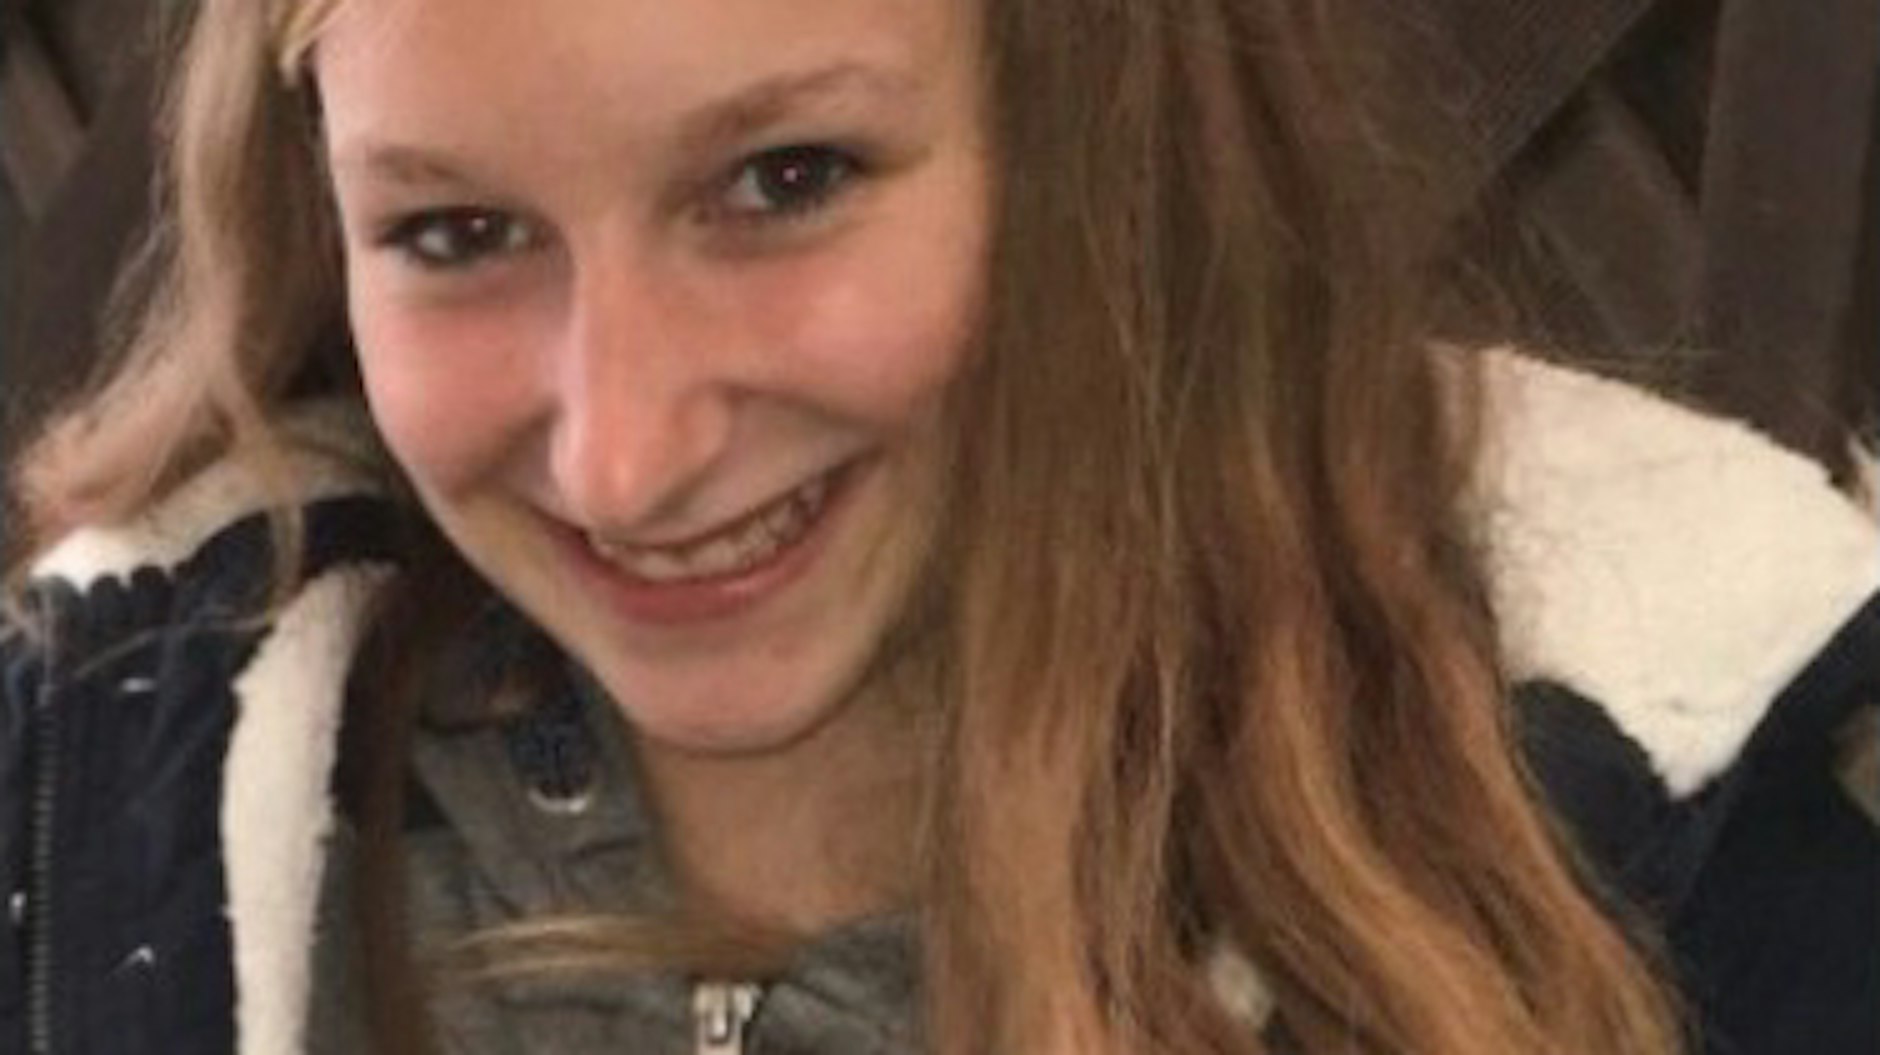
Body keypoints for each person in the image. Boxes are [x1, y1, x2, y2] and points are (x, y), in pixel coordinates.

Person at [0, 0, 1873, 1054]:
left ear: (1101, 149)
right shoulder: (88, 796)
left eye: (784, 179)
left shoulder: (1655, 864)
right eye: (456, 234)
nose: (625, 458)